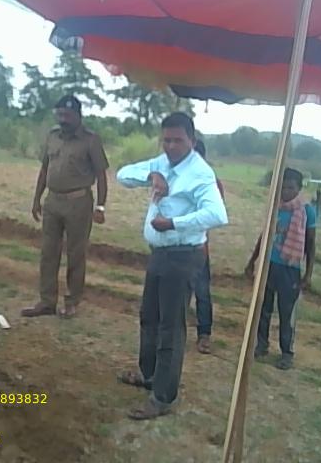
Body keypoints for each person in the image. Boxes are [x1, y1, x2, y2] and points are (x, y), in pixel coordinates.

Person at [116, 112, 228, 420]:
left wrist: (174, 223)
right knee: (149, 316)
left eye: (177, 140)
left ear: (192, 140)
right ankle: (150, 375)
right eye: (166, 140)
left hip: (183, 256)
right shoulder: (162, 163)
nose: (171, 146)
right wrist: (151, 176)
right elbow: (122, 174)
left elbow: (218, 215)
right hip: (160, 253)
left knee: (170, 326)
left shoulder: (200, 173)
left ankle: (163, 397)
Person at [20, 95, 109, 319]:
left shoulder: (90, 140)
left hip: (79, 202)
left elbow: (101, 174)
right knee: (48, 252)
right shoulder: (52, 136)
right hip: (53, 200)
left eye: (68, 115)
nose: (63, 119)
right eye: (60, 114)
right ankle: (46, 301)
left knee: (75, 254)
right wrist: (37, 198)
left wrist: (100, 206)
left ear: (79, 116)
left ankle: (71, 302)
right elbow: (44, 169)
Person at [244, 168, 316, 370]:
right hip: (269, 265)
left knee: (286, 312)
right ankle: (262, 344)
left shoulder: (306, 211)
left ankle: (286, 353)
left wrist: (308, 273)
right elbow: (265, 236)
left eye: (290, 188)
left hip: (290, 269)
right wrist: (252, 261)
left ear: (299, 188)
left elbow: (311, 244)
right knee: (263, 308)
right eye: (282, 187)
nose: (285, 192)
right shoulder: (275, 207)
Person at [192, 139, 225, 354]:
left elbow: (213, 215)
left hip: (198, 247)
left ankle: (204, 334)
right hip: (174, 247)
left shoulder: (211, 183)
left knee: (202, 292)